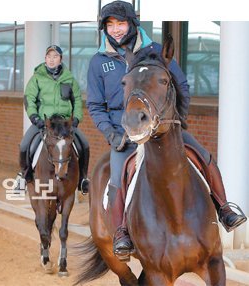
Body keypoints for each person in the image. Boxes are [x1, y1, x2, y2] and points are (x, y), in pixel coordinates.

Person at [87, 0, 246, 260]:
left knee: (204, 156)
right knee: (116, 178)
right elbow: (94, 104)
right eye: (110, 25)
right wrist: (110, 132)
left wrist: (179, 120)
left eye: (121, 23)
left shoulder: (156, 51)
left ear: (132, 23)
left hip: (163, 126)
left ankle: (224, 208)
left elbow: (181, 86)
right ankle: (122, 233)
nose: (115, 29)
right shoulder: (98, 62)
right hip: (124, 131)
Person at [13, 45, 90, 194]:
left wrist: (76, 120)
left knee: (84, 145)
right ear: (45, 59)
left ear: (60, 59)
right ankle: (23, 176)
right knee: (24, 145)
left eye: (55, 57)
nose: (51, 59)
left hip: (65, 124)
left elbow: (78, 101)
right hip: (44, 122)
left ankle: (83, 179)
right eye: (49, 57)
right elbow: (29, 98)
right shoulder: (37, 78)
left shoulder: (69, 79)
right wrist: (35, 118)